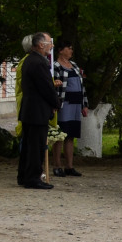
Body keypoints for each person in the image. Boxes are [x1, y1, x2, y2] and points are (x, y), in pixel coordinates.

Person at [18, 32, 59, 190]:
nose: (52, 46)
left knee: (29, 145)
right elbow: (46, 88)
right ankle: (33, 178)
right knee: (36, 146)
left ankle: (24, 175)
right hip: (37, 110)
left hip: (30, 109)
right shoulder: (39, 62)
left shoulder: (29, 60)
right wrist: (56, 102)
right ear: (41, 45)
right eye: (50, 42)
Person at [51, 42, 89, 177]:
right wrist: (54, 104)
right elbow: (52, 85)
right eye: (69, 48)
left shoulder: (75, 66)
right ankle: (57, 166)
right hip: (63, 105)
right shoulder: (55, 66)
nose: (71, 51)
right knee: (60, 136)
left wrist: (84, 104)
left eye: (72, 48)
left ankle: (69, 166)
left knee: (71, 136)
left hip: (75, 105)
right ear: (61, 50)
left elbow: (82, 86)